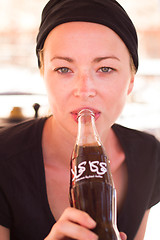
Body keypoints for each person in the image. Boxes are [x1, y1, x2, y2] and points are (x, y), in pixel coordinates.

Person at [0, 0, 160, 239]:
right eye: (64, 69)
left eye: (105, 69)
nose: (84, 91)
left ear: (131, 81)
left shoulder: (150, 156)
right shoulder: (3, 159)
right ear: (43, 75)